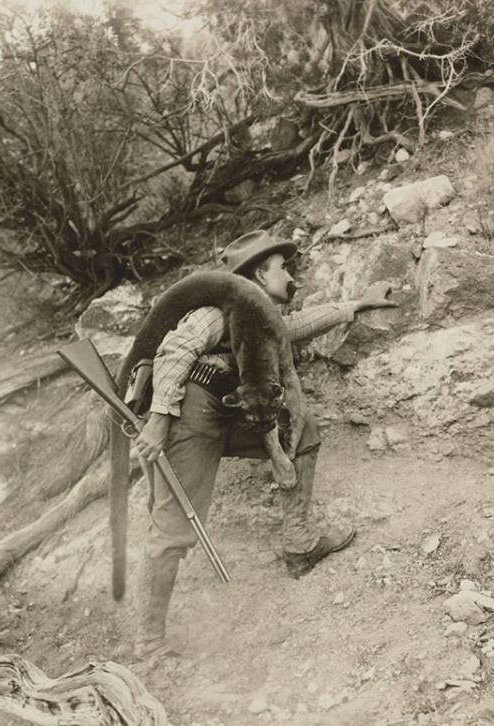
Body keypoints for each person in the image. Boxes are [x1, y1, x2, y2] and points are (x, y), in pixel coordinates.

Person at [127, 229, 397, 660]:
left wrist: (354, 305)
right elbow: (175, 350)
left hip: (230, 409)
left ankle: (300, 542)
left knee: (301, 431)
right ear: (257, 273)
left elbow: (293, 328)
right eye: (282, 268)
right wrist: (158, 420)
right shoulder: (219, 310)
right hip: (190, 413)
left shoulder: (262, 317)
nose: (290, 275)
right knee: (173, 527)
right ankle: (150, 642)